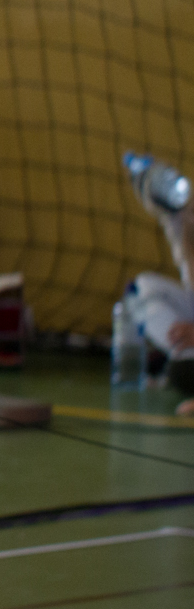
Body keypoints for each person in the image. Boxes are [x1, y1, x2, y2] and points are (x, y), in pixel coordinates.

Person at [125, 161, 194, 417]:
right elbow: (170, 210)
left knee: (182, 373)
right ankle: (183, 351)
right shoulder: (188, 223)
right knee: (140, 291)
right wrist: (149, 181)